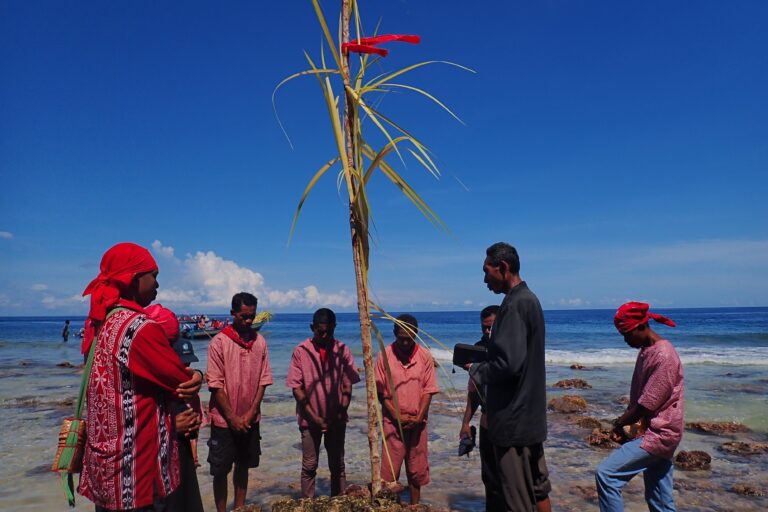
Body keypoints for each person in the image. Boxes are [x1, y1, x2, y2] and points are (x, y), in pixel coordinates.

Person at [78, 242, 204, 511]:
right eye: (154, 275)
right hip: (136, 470)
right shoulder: (139, 328)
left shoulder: (100, 323)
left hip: (106, 466)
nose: (158, 284)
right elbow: (181, 382)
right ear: (134, 278)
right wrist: (198, 376)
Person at [466, 242, 552, 512]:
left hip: (514, 423)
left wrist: (477, 369)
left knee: (516, 501)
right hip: (529, 419)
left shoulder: (515, 304)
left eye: (486, 271)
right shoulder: (528, 300)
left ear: (503, 268)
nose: (484, 279)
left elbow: (508, 364)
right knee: (536, 490)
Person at [595, 302, 684, 512]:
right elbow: (640, 399)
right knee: (660, 501)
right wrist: (629, 430)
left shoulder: (664, 355)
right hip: (655, 430)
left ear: (641, 327)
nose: (625, 340)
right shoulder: (647, 350)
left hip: (660, 433)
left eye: (626, 334)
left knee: (606, 475)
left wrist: (618, 424)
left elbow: (645, 405)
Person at [206, 292, 273, 512]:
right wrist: (233, 417)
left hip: (250, 418)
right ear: (233, 314)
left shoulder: (259, 342)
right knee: (220, 470)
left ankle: (240, 508)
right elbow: (215, 384)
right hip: (224, 420)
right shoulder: (219, 342)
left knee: (243, 465)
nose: (248, 321)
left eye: (251, 316)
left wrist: (251, 413)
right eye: (243, 316)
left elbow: (263, 380)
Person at [286, 308, 361, 498]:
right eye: (320, 331)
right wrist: (315, 418)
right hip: (309, 420)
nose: (325, 335)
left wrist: (339, 413)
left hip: (337, 419)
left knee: (337, 465)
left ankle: (339, 502)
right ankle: (308, 505)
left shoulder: (342, 350)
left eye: (329, 330)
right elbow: (297, 389)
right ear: (312, 328)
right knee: (309, 465)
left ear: (335, 327)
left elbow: (347, 386)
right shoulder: (301, 351)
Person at [146, 304, 205, 512]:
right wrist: (169, 425)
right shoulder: (141, 381)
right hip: (151, 476)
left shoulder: (180, 388)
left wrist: (198, 375)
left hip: (178, 466)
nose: (183, 370)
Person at [375, 314, 439, 505]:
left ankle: (415, 506)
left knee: (416, 471)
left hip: (418, 423)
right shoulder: (384, 355)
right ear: (394, 334)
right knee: (389, 473)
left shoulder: (425, 356)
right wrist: (395, 415)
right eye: (401, 338)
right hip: (392, 424)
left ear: (416, 334)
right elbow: (381, 392)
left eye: (409, 338)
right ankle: (390, 506)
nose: (404, 342)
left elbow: (429, 389)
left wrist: (419, 416)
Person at [460, 305, 502, 511]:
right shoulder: (478, 349)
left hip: (509, 423)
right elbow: (474, 391)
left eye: (491, 327)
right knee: (489, 477)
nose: (487, 332)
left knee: (512, 479)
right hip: (487, 422)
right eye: (484, 328)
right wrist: (466, 423)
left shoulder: (511, 350)